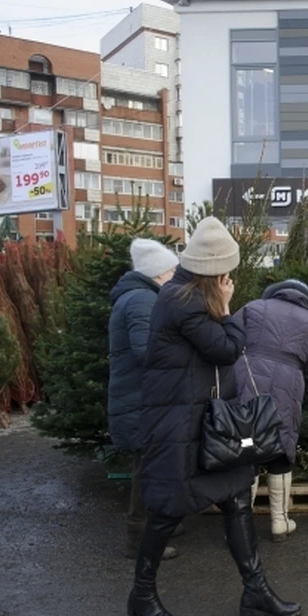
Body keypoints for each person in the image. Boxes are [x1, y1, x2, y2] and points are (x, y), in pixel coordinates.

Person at [128, 217, 300, 616]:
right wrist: (226, 308)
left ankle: (255, 590)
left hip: (207, 419)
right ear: (213, 270)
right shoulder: (181, 301)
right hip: (178, 424)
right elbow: (227, 348)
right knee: (168, 510)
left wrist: (220, 309)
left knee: (238, 497)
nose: (229, 279)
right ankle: (141, 595)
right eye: (226, 272)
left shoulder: (186, 296)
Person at [234, 279, 308, 543]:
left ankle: (240, 525)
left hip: (246, 379)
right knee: (281, 447)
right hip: (288, 385)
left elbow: (226, 341)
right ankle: (279, 522)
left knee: (247, 448)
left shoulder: (252, 307)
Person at [108, 238, 182, 561]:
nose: (175, 279)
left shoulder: (138, 296)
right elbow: (145, 351)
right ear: (159, 274)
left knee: (150, 466)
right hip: (141, 400)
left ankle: (157, 525)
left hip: (140, 398)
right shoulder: (141, 300)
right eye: (172, 272)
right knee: (146, 470)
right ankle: (138, 539)